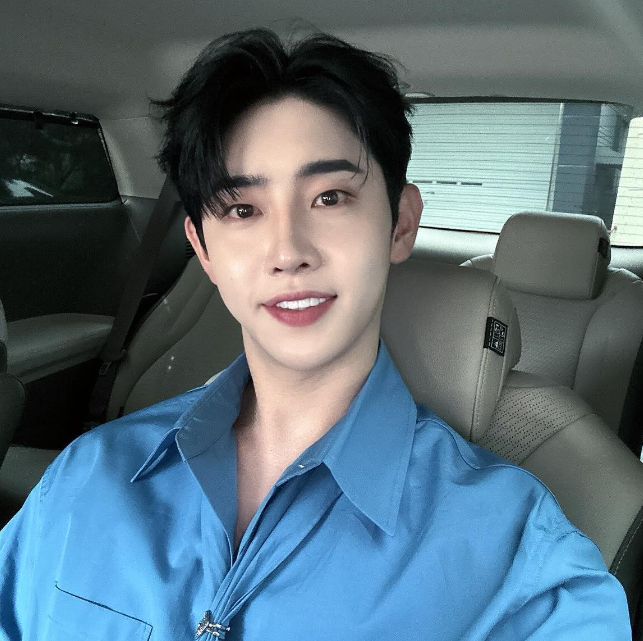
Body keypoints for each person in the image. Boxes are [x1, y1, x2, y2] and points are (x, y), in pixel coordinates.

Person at [0, 28, 631, 640]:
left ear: (400, 223)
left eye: (330, 198)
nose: (288, 251)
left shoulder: (518, 561)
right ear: (203, 250)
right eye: (243, 209)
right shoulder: (88, 474)